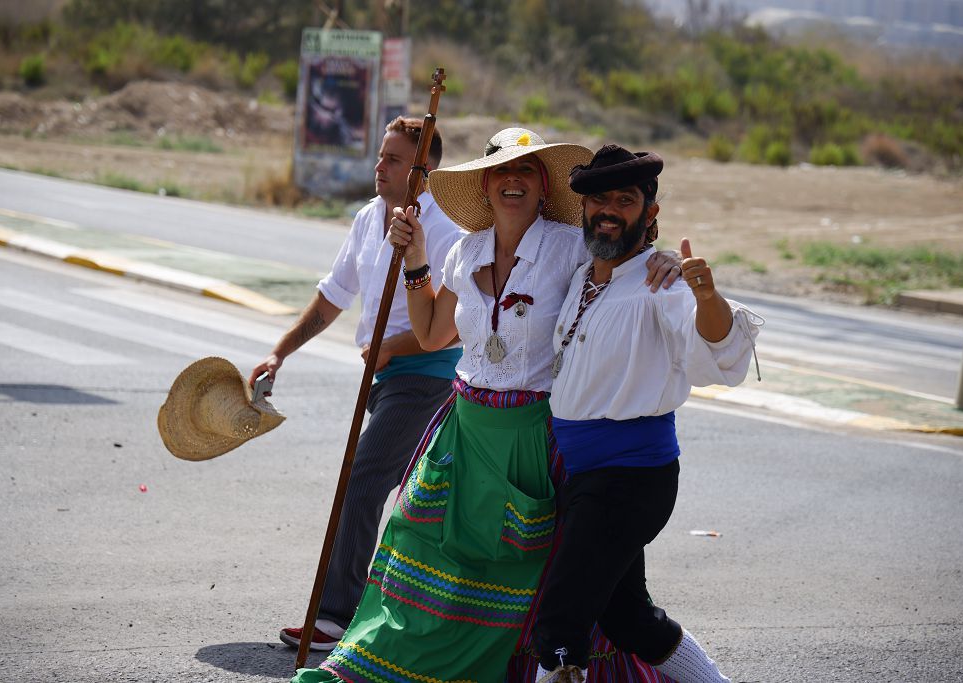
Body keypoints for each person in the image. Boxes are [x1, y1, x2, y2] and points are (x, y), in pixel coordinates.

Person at [291, 128, 683, 683]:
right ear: (486, 185)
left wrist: (661, 256)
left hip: (535, 438)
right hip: (463, 430)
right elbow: (431, 333)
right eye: (502, 171)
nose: (513, 181)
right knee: (421, 550)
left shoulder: (570, 246)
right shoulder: (464, 249)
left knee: (531, 579)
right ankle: (379, 665)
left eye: (527, 172)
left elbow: (620, 256)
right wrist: (416, 258)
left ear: (544, 187)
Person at [530, 144, 764, 683]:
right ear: (583, 208)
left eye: (626, 199)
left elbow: (713, 352)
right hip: (585, 476)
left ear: (650, 213)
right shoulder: (583, 279)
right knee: (627, 617)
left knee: (562, 622)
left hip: (630, 478)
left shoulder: (664, 284)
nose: (609, 209)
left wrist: (705, 294)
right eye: (599, 199)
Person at [249, 116, 464, 652]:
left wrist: (393, 349)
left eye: (394, 159)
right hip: (384, 379)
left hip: (429, 380)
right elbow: (332, 297)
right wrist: (279, 354)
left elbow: (452, 324)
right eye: (381, 155)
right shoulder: (370, 217)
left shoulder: (446, 228)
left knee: (364, 480)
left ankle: (335, 617)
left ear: (426, 170)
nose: (380, 166)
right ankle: (422, 614)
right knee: (422, 501)